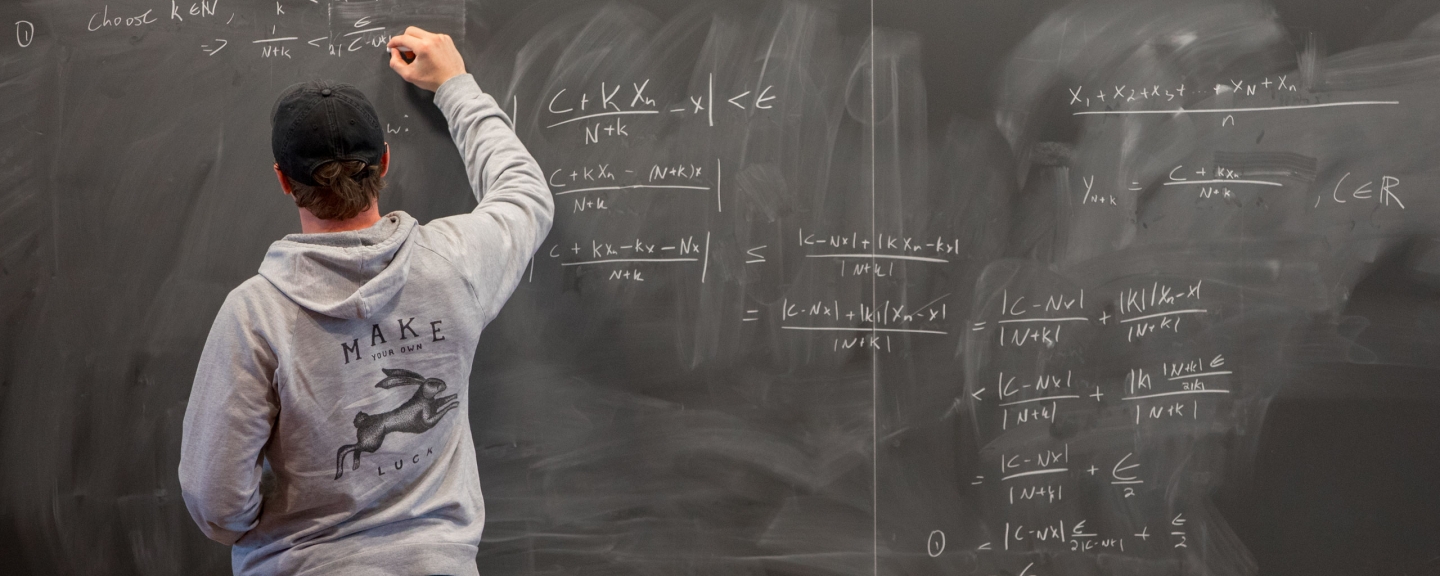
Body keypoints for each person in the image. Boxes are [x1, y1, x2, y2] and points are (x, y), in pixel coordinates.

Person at [178, 26, 553, 576]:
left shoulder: (255, 315)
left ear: (284, 180)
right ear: (384, 163)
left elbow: (217, 504)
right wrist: (455, 85)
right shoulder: (454, 263)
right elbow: (524, 193)